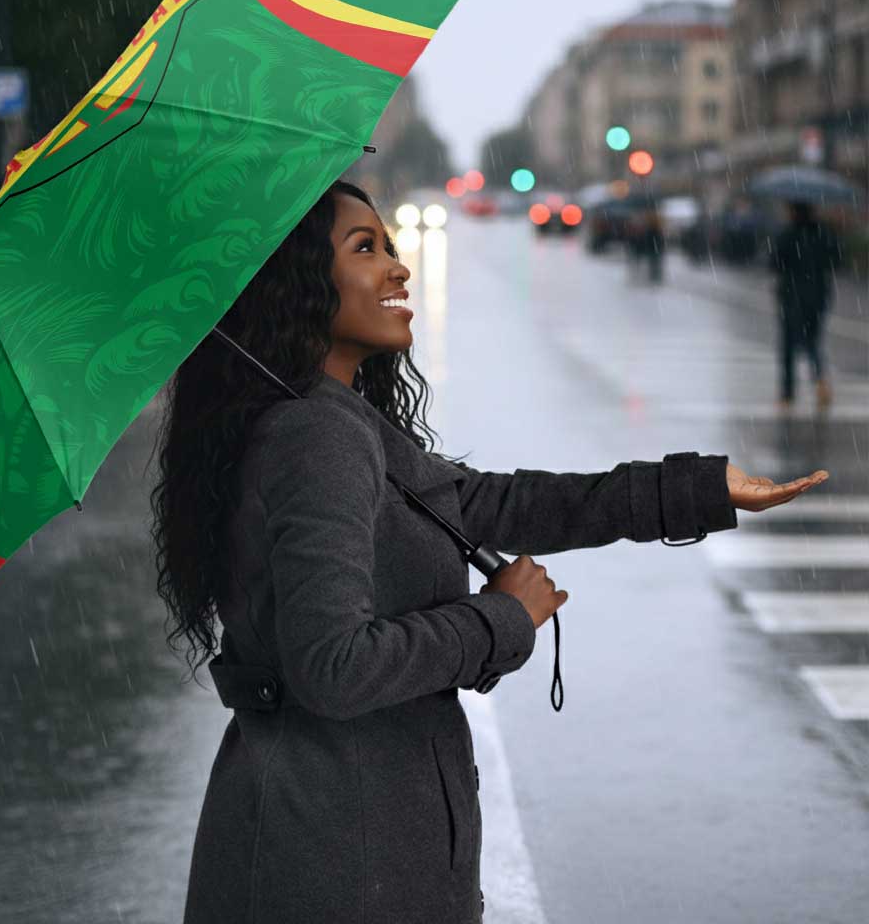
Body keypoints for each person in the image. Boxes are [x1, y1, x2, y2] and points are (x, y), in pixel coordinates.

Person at [153, 179, 828, 924]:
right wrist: (501, 619)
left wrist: (699, 490)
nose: (399, 267)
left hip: (329, 835)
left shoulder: (333, 422)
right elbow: (334, 668)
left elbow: (502, 502)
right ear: (298, 281)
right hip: (343, 854)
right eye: (366, 248)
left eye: (389, 245)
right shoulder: (320, 436)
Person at [771, 200, 844, 414]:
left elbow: (774, 262)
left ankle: (787, 394)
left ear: (793, 211)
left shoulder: (788, 234)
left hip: (791, 296)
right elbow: (837, 260)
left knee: (787, 346)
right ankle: (820, 378)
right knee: (812, 340)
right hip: (818, 295)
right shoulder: (824, 233)